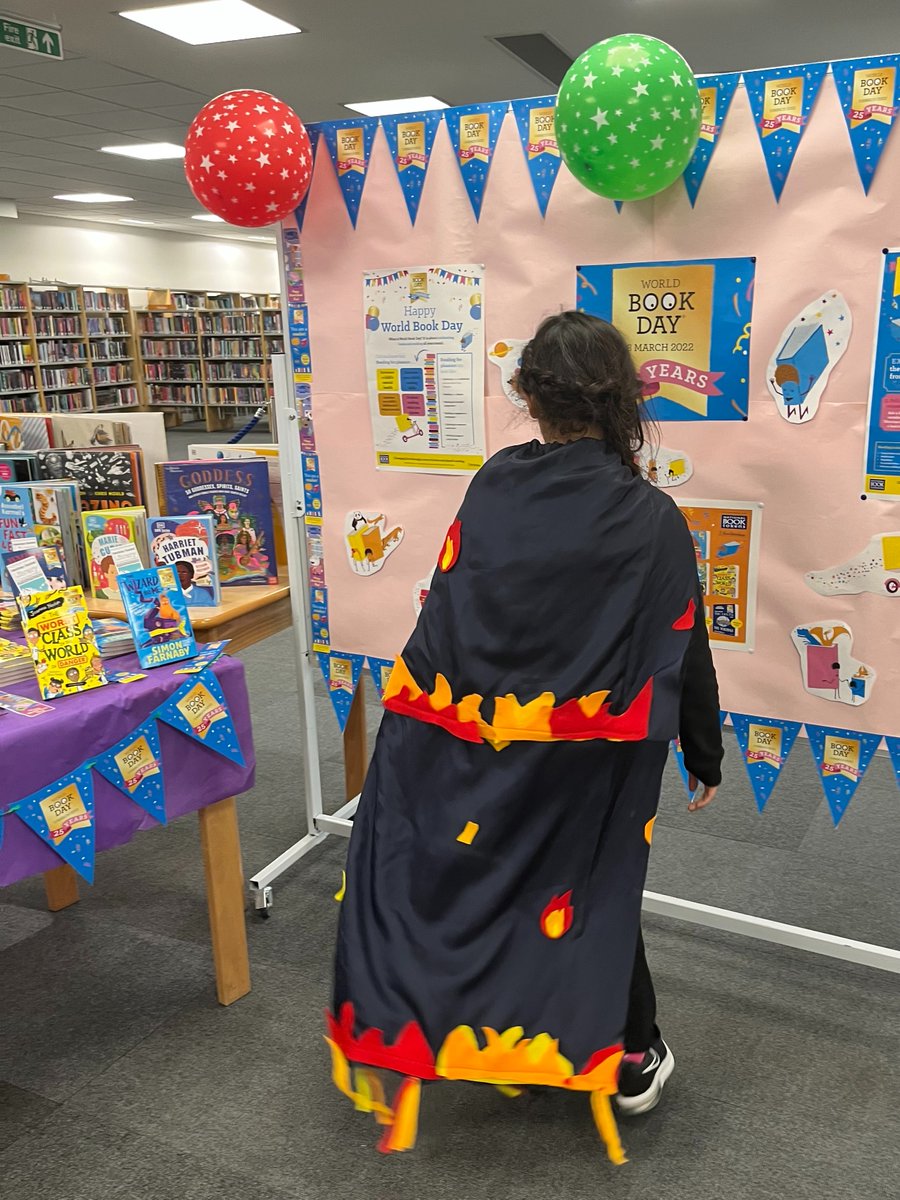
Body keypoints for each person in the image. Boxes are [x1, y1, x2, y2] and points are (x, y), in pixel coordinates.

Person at [329, 311, 723, 1162]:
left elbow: (452, 613)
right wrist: (705, 749)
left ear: (529, 399)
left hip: (478, 746)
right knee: (586, 889)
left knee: (500, 883)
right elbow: (683, 643)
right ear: (624, 400)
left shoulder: (493, 486)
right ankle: (622, 1052)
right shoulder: (648, 517)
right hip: (586, 762)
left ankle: (523, 1032)